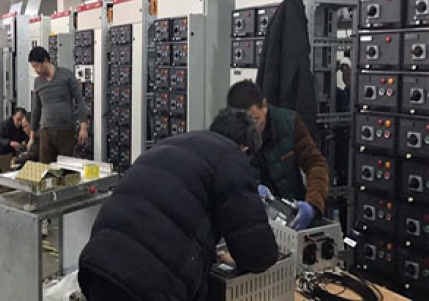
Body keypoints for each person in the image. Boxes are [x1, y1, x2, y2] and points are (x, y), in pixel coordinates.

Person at [78, 108, 279, 301]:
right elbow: (258, 253)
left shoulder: (172, 143)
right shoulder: (231, 157)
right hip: (149, 284)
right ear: (244, 148)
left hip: (97, 264)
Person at [227, 80, 329, 230]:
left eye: (255, 120)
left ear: (265, 106)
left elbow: (316, 164)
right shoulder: (229, 134)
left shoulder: (289, 123)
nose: (251, 129)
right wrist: (249, 188)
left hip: (292, 215)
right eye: (244, 124)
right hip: (250, 218)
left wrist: (313, 205)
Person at [29, 47, 88, 164]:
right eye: (33, 67)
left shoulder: (66, 75)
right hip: (46, 132)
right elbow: (36, 109)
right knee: (45, 168)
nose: (35, 70)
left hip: (65, 131)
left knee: (66, 167)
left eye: (37, 66)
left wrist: (83, 127)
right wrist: (32, 135)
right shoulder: (37, 82)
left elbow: (80, 101)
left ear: (45, 61)